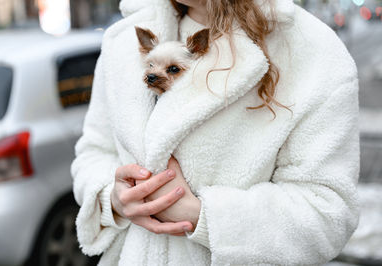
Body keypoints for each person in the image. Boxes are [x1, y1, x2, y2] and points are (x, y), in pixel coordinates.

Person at [70, 0, 360, 265]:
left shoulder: (312, 50)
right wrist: (114, 198)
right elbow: (93, 153)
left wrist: (204, 217)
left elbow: (328, 213)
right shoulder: (124, 38)